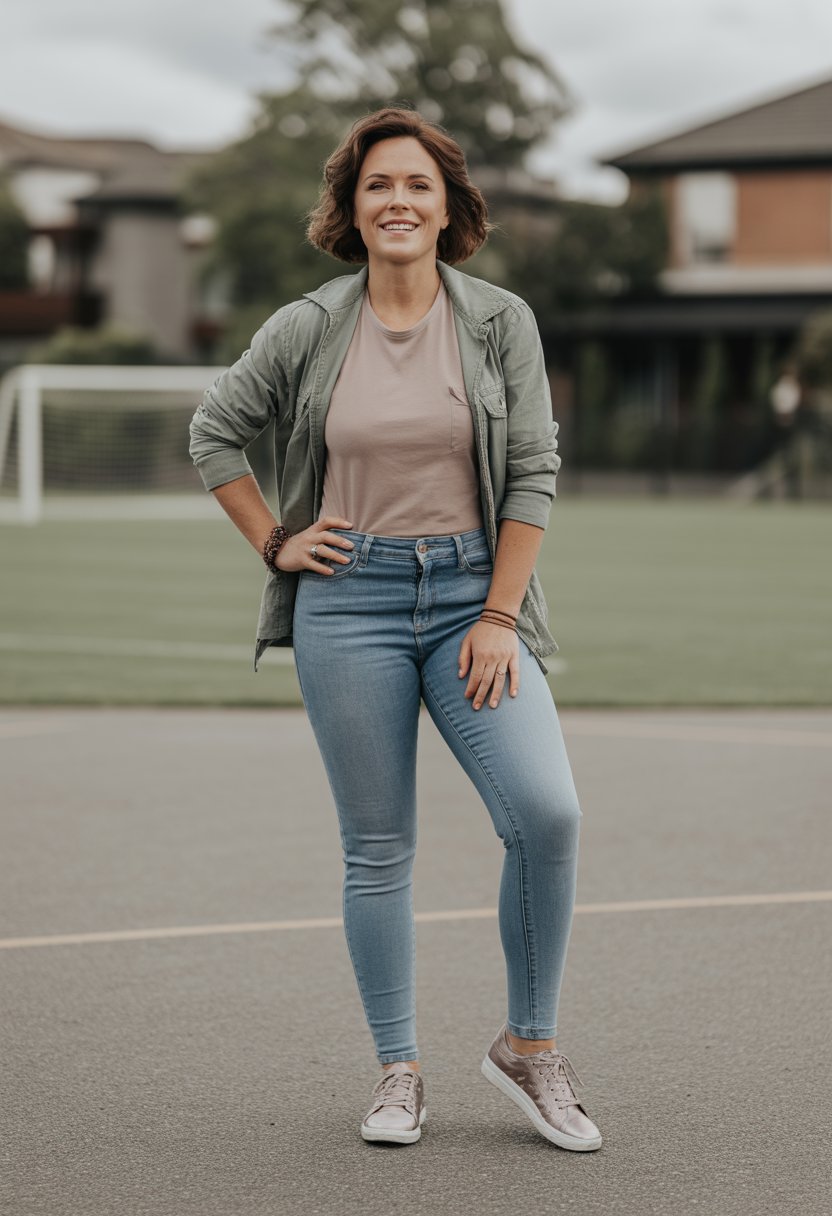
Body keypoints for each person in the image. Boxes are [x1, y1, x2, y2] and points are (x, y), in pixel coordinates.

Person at [189, 107, 602, 1152]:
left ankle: (530, 1047)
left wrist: (500, 612)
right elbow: (214, 431)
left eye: (417, 185)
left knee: (546, 814)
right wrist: (274, 541)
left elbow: (534, 470)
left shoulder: (500, 321)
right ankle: (398, 1069)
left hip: (473, 596)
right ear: (352, 206)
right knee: (378, 848)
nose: (398, 202)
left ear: (450, 206)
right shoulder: (307, 326)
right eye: (379, 185)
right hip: (351, 601)